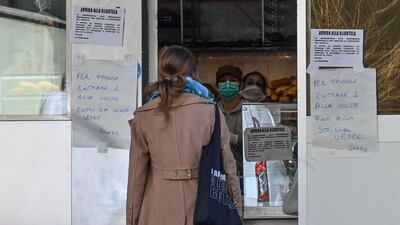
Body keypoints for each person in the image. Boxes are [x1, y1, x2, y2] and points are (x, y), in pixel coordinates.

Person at [126, 46, 242, 225]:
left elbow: (136, 177)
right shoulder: (210, 111)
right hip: (203, 208)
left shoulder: (144, 115)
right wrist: (236, 211)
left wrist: (132, 220)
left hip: (156, 209)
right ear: (194, 73)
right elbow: (228, 168)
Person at [215, 65, 244, 177]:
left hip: (244, 174)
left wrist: (236, 139)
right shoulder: (211, 111)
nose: (227, 84)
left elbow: (259, 144)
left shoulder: (250, 111)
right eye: (223, 81)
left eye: (232, 81)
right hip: (218, 175)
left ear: (241, 86)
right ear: (216, 85)